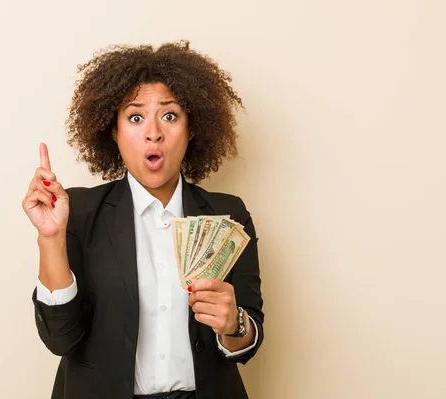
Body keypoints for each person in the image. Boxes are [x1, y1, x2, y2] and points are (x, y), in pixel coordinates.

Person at [22, 40, 264, 399]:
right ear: (114, 132)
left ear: (192, 128)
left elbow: (249, 338)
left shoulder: (228, 214)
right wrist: (51, 239)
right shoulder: (79, 212)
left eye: (170, 115)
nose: (154, 132)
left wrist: (235, 323)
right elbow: (61, 339)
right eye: (136, 117)